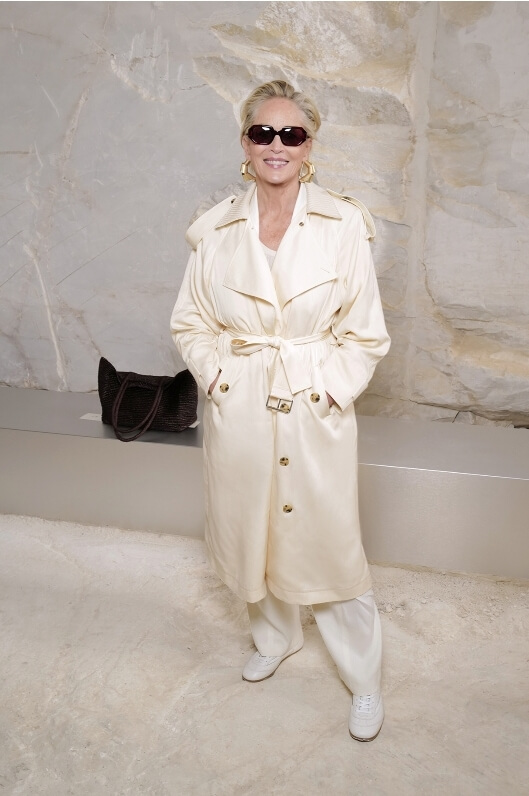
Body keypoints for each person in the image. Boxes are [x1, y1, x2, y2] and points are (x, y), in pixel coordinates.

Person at [170, 80, 390, 742]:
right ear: (245, 142)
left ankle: (364, 678)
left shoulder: (343, 225)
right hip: (240, 402)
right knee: (250, 531)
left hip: (311, 400)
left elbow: (365, 332)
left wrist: (329, 390)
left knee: (329, 542)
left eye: (290, 134)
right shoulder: (215, 230)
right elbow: (190, 321)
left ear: (308, 146)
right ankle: (275, 637)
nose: (276, 145)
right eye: (263, 132)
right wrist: (218, 379)